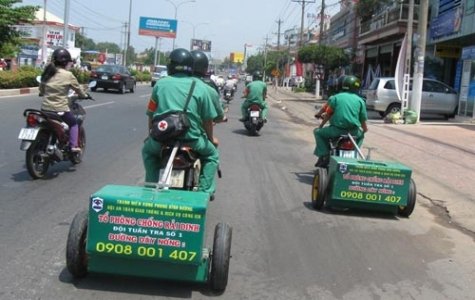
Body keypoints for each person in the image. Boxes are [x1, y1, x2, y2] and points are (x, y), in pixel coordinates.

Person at [142, 48, 220, 199]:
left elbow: (151, 115)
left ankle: (150, 188)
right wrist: (211, 139)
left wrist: (150, 135)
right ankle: (204, 193)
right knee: (212, 155)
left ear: (170, 66)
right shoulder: (202, 88)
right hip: (192, 140)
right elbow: (208, 121)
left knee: (148, 151)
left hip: (163, 139)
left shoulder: (160, 84)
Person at [39, 48, 90, 152]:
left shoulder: (47, 72)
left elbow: (41, 88)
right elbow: (78, 89)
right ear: (66, 62)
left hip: (45, 109)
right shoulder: (68, 75)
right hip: (60, 109)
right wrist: (84, 95)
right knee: (73, 123)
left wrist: (43, 92)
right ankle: (73, 146)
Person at [313, 75, 368, 167]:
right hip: (353, 131)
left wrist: (321, 125)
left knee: (318, 133)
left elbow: (327, 114)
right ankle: (354, 151)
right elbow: (363, 120)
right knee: (361, 136)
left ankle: (325, 154)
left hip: (336, 130)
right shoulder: (360, 101)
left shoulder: (335, 98)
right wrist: (365, 130)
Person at [190, 50, 227, 123]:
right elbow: (218, 117)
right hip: (193, 133)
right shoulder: (208, 90)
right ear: (205, 69)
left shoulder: (163, 84)